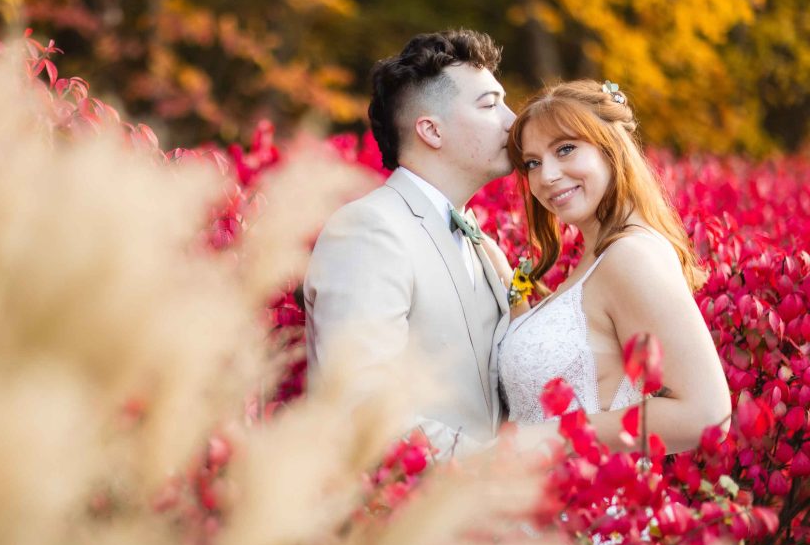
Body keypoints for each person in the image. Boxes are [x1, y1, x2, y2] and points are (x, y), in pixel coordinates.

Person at [303, 29, 516, 456]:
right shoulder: (368, 231)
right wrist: (499, 468)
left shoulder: (475, 234)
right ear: (430, 131)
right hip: (406, 510)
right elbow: (362, 406)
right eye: (490, 105)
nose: (512, 120)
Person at [498, 80, 731, 453]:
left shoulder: (629, 257)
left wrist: (546, 438)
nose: (547, 176)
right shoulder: (598, 258)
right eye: (533, 163)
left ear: (611, 149)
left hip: (584, 504)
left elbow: (705, 414)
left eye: (566, 149)